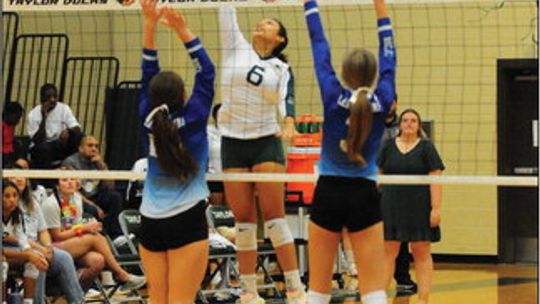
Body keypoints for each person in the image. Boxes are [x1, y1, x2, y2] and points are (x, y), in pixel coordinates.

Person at [302, 0, 396, 303]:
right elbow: (390, 56)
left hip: (328, 192)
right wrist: (380, 7)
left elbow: (319, 45)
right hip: (365, 194)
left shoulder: (331, 93)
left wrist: (310, 4)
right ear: (374, 75)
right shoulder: (384, 97)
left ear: (342, 72)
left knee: (318, 288)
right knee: (373, 288)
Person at [218, 4, 305, 304]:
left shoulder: (281, 68)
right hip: (232, 142)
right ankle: (248, 291)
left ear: (280, 38)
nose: (261, 24)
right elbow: (225, 8)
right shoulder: (236, 46)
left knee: (275, 219)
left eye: (269, 23)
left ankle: (294, 288)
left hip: (266, 140)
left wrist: (289, 122)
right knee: (243, 222)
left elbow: (285, 98)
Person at [137, 0, 216, 302]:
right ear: (183, 94)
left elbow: (148, 71)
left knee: (159, 299)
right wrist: (182, 29)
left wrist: (149, 24)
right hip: (187, 218)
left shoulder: (146, 116)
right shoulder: (194, 115)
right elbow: (206, 72)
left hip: (150, 220)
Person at [40, 168, 146, 292]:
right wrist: (85, 228)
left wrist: (88, 229)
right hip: (51, 248)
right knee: (95, 238)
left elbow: (76, 227)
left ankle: (76, 295)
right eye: (64, 180)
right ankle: (121, 275)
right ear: (57, 185)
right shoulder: (51, 204)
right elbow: (57, 235)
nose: (69, 182)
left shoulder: (76, 199)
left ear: (77, 183)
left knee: (98, 260)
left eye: (72, 179)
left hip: (72, 243)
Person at [378, 109, 444, 304]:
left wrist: (436, 208)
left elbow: (436, 179)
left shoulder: (426, 147)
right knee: (388, 252)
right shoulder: (388, 146)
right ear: (399, 124)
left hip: (419, 206)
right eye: (405, 120)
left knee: (421, 251)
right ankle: (379, 298)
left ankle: (423, 299)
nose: (408, 123)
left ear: (419, 125)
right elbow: (376, 177)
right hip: (390, 205)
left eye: (413, 120)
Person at [8, 173, 85, 304]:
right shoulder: (7, 204)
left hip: (36, 244)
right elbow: (11, 236)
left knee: (64, 257)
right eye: (14, 176)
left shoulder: (32, 202)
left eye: (22, 176)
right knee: (38, 257)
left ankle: (78, 301)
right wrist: (39, 248)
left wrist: (48, 246)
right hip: (14, 247)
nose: (20, 179)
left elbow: (43, 230)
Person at [380, 100, 418, 295]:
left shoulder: (403, 128)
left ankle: (402, 278)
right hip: (379, 189)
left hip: (404, 193)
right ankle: (370, 283)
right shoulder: (371, 125)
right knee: (377, 239)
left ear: (395, 103)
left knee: (400, 238)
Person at [62, 135, 124, 240]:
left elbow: (111, 186)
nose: (94, 149)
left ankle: (116, 236)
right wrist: (95, 206)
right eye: (90, 145)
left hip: (95, 195)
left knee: (115, 197)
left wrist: (102, 165)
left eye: (96, 146)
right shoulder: (71, 162)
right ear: (80, 148)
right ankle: (101, 236)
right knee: (92, 209)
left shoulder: (97, 162)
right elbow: (73, 191)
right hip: (78, 198)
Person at [2, 179, 49, 304]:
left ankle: (29, 301)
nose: (12, 200)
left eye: (15, 196)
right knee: (2, 262)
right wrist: (27, 254)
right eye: (7, 196)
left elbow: (22, 239)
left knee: (35, 259)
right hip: (3, 254)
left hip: (10, 252)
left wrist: (32, 254)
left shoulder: (17, 215)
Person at [27, 83, 83, 171]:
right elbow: (37, 140)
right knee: (43, 149)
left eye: (55, 96)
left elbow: (77, 128)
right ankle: (47, 181)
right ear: (42, 98)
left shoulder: (64, 108)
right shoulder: (33, 114)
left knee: (79, 136)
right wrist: (44, 117)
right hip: (43, 147)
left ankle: (76, 170)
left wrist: (68, 130)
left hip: (60, 144)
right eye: (48, 97)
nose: (52, 100)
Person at [207, 103, 225, 205]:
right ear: (215, 117)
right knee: (217, 212)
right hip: (214, 176)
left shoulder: (234, 133)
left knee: (233, 214)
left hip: (232, 176)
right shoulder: (208, 131)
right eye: (219, 115)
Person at [2, 101, 25, 168]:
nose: (18, 121)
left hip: (10, 153)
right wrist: (15, 161)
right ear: (9, 114)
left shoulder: (11, 126)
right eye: (17, 117)